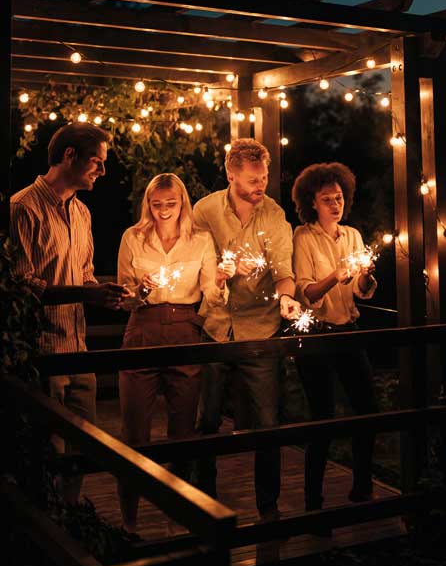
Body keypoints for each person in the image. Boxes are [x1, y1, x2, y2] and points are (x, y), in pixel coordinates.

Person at [10, 123, 128, 501]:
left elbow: (85, 275)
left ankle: (72, 520)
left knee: (82, 451)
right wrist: (84, 293)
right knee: (47, 453)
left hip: (78, 350)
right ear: (69, 156)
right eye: (97, 161)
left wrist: (108, 294)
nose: (103, 171)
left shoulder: (82, 215)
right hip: (41, 353)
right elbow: (20, 286)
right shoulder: (22, 208)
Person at [192, 138, 301, 521]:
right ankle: (203, 501)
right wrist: (220, 272)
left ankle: (267, 508)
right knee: (206, 421)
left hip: (261, 328)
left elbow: (285, 273)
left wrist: (288, 298)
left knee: (268, 423)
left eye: (265, 177)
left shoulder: (274, 216)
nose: (261, 185)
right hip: (216, 326)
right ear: (230, 174)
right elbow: (194, 266)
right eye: (253, 178)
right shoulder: (204, 211)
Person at [116, 173, 228, 533]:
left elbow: (210, 292)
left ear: (182, 202)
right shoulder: (133, 238)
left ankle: (179, 518)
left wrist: (222, 284)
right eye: (156, 203)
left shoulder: (201, 240)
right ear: (148, 204)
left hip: (184, 330)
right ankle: (129, 522)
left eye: (171, 202)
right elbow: (123, 296)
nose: (164, 210)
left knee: (183, 433)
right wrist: (140, 291)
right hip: (142, 328)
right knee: (135, 431)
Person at [292, 161, 378, 511]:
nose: (335, 204)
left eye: (339, 197)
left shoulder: (353, 236)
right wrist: (335, 276)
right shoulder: (302, 237)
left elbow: (361, 290)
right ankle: (314, 501)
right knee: (322, 418)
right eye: (327, 198)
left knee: (368, 410)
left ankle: (363, 486)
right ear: (312, 202)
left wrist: (367, 279)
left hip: (348, 331)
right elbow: (306, 293)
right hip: (316, 335)